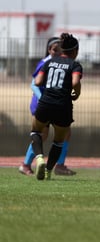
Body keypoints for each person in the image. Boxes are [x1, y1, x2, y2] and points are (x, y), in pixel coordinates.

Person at [19, 37, 76, 176]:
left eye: (59, 49)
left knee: (65, 133)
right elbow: (34, 83)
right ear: (49, 50)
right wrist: (42, 98)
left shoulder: (59, 63)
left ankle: (59, 165)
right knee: (42, 134)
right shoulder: (45, 62)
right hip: (43, 102)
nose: (57, 52)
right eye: (54, 49)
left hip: (53, 103)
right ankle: (26, 164)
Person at [30, 33, 82, 180]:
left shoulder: (49, 62)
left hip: (45, 103)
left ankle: (39, 159)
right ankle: (47, 171)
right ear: (75, 51)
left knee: (36, 131)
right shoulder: (75, 65)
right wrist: (75, 94)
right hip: (63, 106)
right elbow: (75, 82)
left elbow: (38, 81)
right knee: (59, 141)